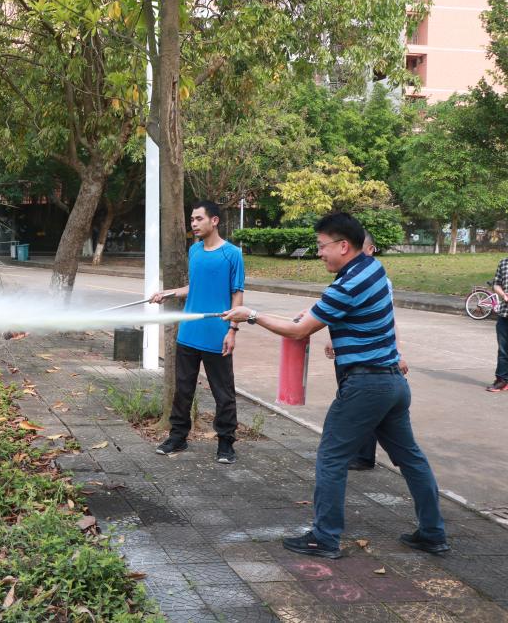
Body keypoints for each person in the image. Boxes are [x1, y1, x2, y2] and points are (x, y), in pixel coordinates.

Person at [223, 212, 448, 559]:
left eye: (322, 246)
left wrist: (251, 316)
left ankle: (324, 538)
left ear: (343, 246)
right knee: (411, 458)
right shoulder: (372, 269)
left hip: (366, 386)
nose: (319, 253)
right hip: (392, 384)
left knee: (331, 458)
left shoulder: (346, 285)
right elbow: (334, 311)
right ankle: (433, 533)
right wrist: (317, 315)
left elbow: (299, 330)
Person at [149, 200, 245, 464]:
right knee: (183, 390)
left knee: (223, 393)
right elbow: (195, 287)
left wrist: (232, 330)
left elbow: (237, 294)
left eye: (198, 219)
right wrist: (168, 293)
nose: (193, 223)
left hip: (217, 334)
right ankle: (177, 437)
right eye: (192, 219)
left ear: (214, 221)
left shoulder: (232, 254)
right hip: (189, 333)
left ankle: (226, 443)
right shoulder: (194, 251)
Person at [322, 230, 407, 471]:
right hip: (356, 361)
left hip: (370, 368)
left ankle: (365, 456)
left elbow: (388, 320)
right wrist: (333, 339)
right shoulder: (348, 279)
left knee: (330, 455)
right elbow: (343, 314)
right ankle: (366, 454)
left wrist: (398, 354)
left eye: (322, 246)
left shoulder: (372, 278)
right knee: (407, 451)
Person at [486, 254, 508, 391]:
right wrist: (503, 295)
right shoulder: (503, 263)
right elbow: (496, 284)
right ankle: (502, 380)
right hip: (505, 313)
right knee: (503, 350)